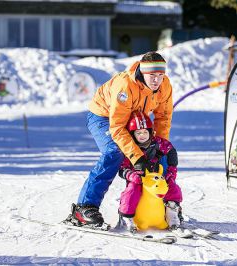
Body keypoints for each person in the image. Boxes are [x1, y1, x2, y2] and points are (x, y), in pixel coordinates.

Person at [65, 51, 174, 228]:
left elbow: (163, 118)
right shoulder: (125, 86)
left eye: (160, 75)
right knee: (114, 152)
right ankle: (84, 208)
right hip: (103, 117)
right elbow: (117, 127)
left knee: (160, 152)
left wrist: (158, 147)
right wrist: (137, 158)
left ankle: (166, 203)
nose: (156, 80)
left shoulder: (165, 86)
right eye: (152, 75)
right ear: (143, 73)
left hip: (135, 120)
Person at [116, 111, 183, 233]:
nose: (142, 135)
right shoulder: (130, 147)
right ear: (132, 134)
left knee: (172, 187)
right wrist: (131, 176)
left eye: (145, 132)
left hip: (155, 179)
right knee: (131, 191)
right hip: (138, 180)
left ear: (151, 132)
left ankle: (172, 214)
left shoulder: (156, 143)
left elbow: (171, 150)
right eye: (138, 133)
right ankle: (126, 217)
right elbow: (122, 168)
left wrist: (171, 171)